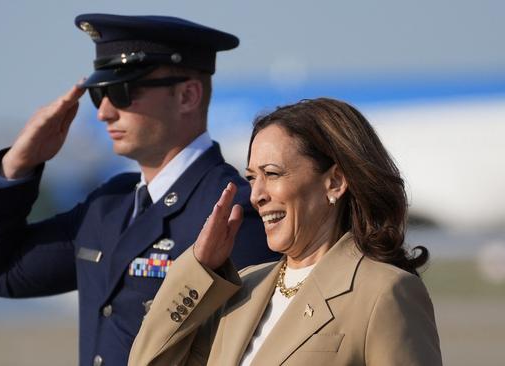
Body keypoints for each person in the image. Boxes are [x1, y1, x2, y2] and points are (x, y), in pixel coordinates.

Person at [0, 14, 278, 366]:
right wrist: (18, 165)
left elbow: (259, 347)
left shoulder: (231, 210)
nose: (105, 112)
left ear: (188, 95)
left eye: (123, 91)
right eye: (99, 95)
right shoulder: (109, 207)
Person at [129, 98, 443, 366]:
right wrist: (199, 269)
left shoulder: (383, 292)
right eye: (252, 178)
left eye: (272, 174)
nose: (256, 195)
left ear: (334, 182)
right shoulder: (244, 288)